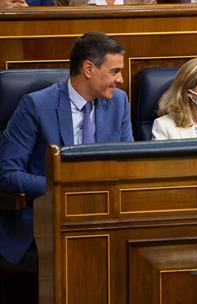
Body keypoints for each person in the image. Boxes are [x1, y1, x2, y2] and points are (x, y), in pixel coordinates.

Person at [0, 32, 133, 270]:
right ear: (88, 69)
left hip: (104, 214)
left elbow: (128, 165)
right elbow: (7, 174)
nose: (121, 79)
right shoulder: (36, 106)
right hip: (46, 216)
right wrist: (65, 188)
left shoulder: (119, 102)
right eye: (114, 71)